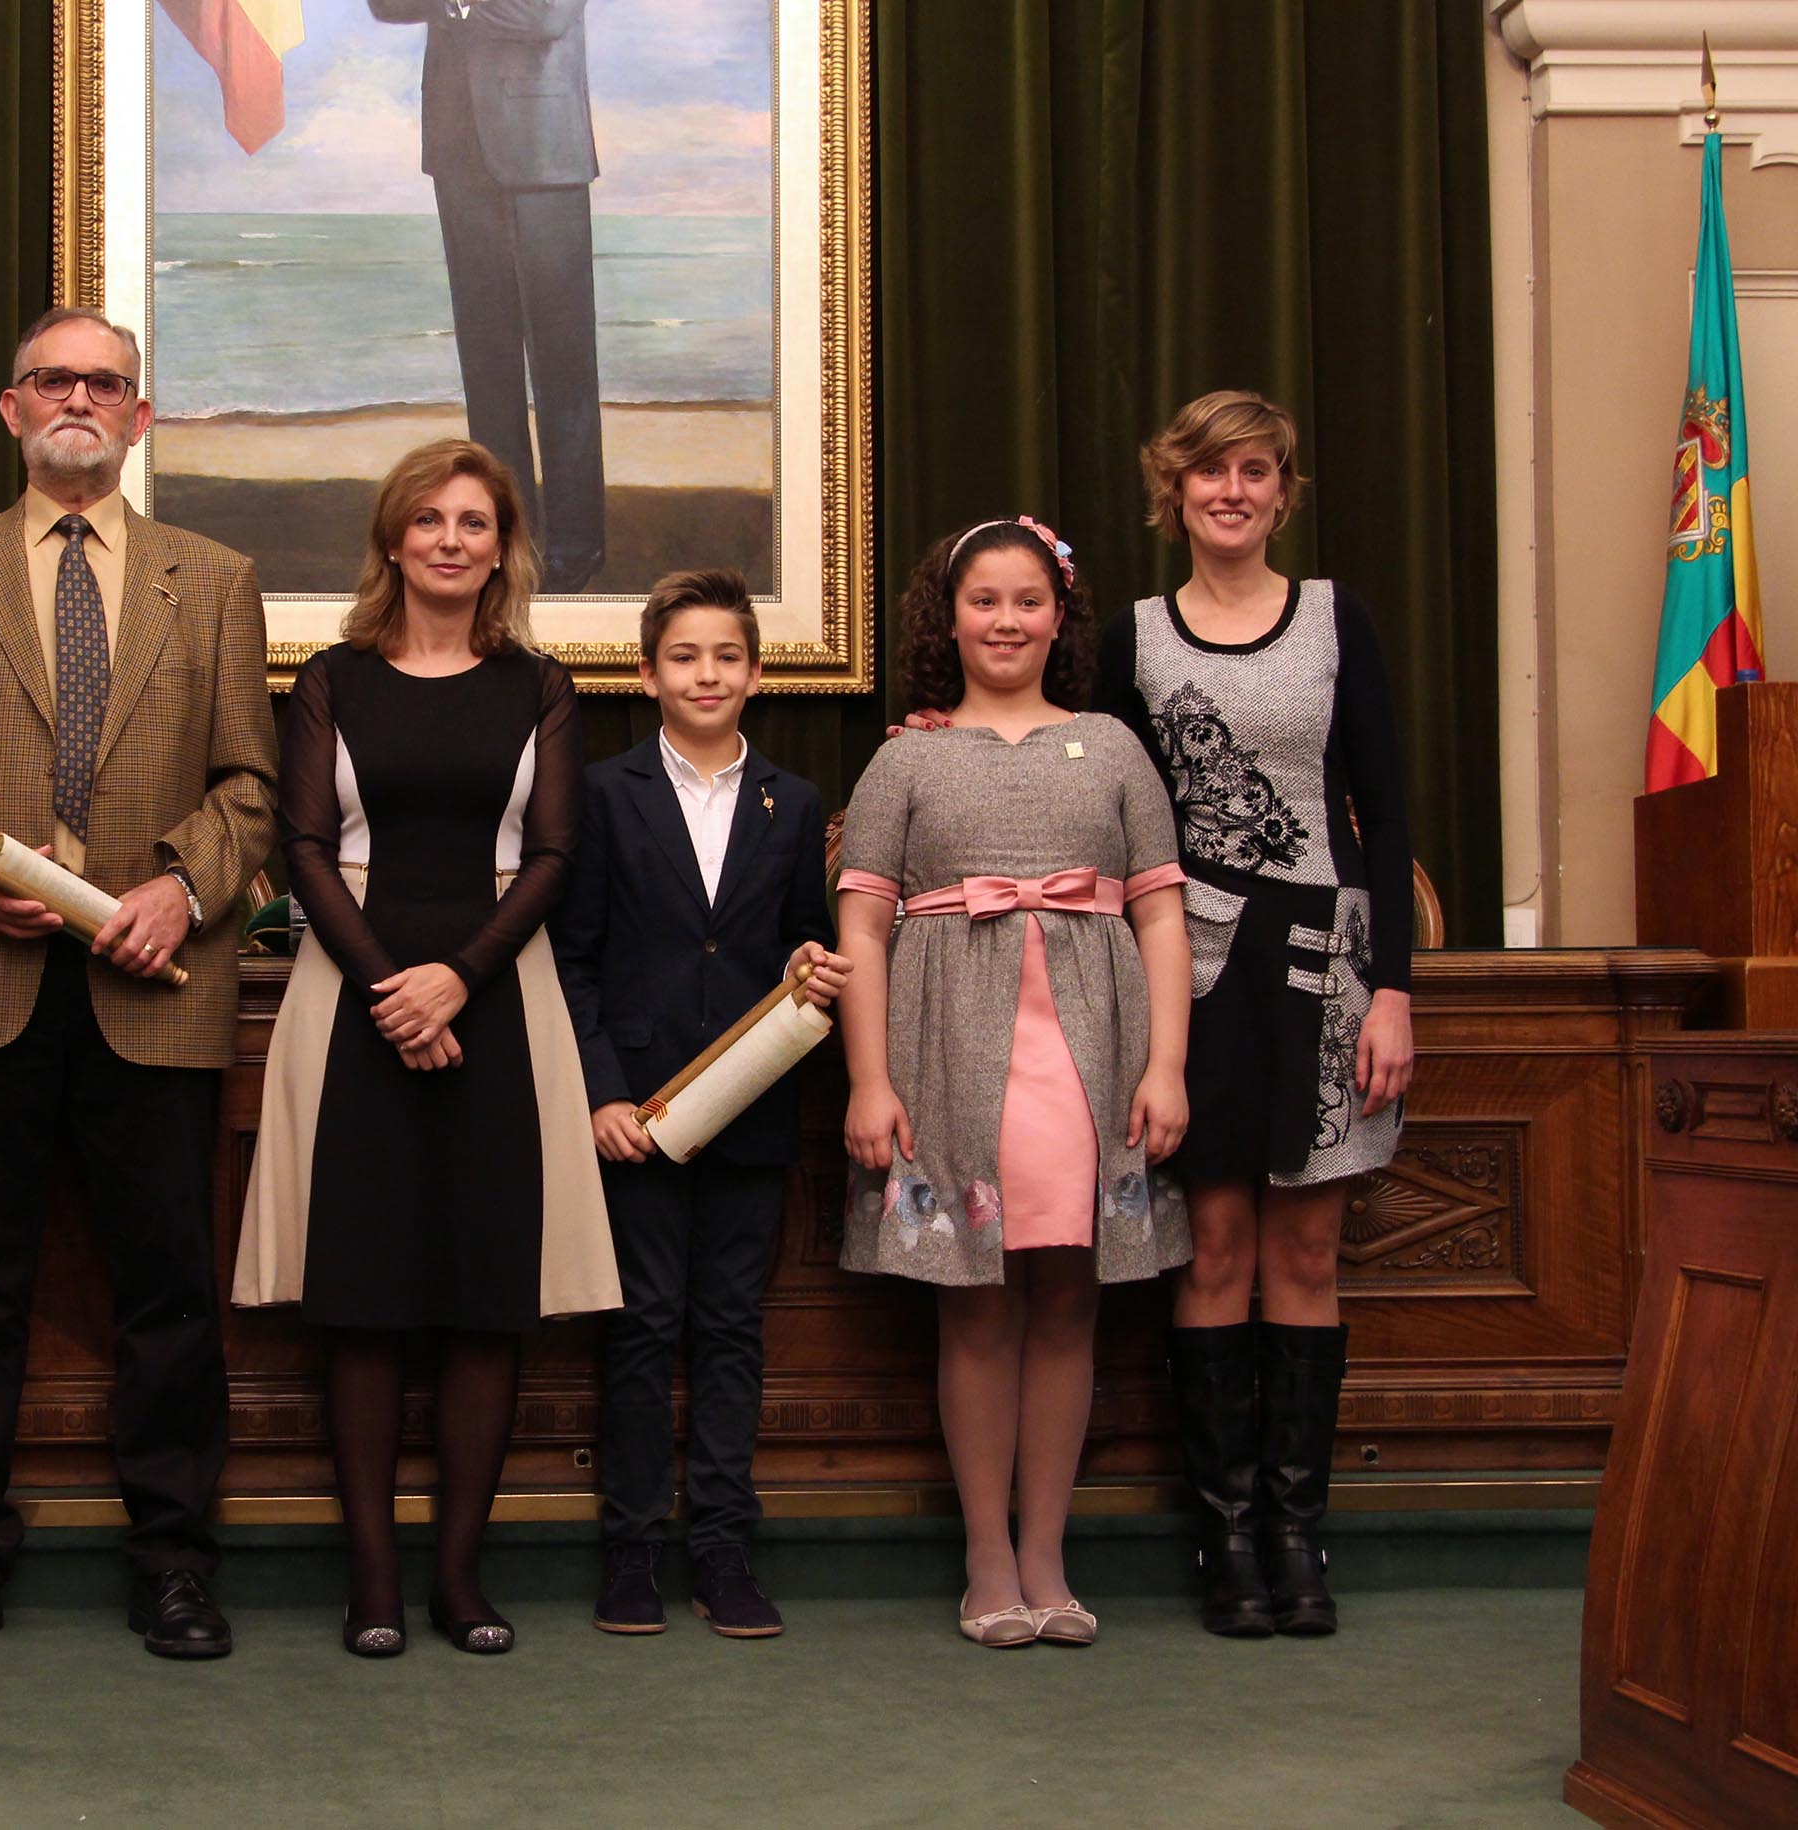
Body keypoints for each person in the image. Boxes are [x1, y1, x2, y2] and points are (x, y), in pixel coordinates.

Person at [0, 308, 280, 1664]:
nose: (78, 398)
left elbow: (252, 787)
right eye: (54, 379)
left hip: (155, 985)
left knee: (168, 1293)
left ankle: (174, 1565)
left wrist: (182, 888)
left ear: (140, 418)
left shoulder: (212, 578)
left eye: (105, 382)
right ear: (10, 408)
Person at [236, 437, 618, 1659]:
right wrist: (390, 989)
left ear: (500, 547)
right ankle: (372, 1585)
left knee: (480, 1306)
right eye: (430, 520)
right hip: (349, 1000)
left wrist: (456, 978)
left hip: (501, 997)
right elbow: (299, 845)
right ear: (393, 538)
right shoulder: (331, 680)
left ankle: (457, 1580)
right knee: (358, 1303)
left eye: (475, 522)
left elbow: (555, 854)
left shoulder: (539, 686)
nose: (452, 540)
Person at [836, 517, 1193, 1649]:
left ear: (1060, 615)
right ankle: (985, 1558)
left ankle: (1047, 1550)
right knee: (976, 1310)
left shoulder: (1113, 748)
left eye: (1027, 599)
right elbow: (861, 921)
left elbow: (1161, 911)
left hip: (1090, 1057)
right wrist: (868, 1081)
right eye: (983, 599)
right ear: (950, 618)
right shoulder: (907, 757)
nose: (1005, 620)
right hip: (952, 1059)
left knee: (1069, 1307)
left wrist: (1167, 1064)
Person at [1105, 391, 1415, 1638]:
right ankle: (1225, 1542)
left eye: (1255, 471)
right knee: (1216, 1252)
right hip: (1193, 976)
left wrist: (1393, 988)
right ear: (1172, 492)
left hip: (1326, 978)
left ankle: (1298, 1537)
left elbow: (1386, 815)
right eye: (1207, 473)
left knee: (1304, 1255)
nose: (1230, 491)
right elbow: (1109, 812)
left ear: (1283, 491)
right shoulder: (1133, 640)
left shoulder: (1338, 618)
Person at [549, 568, 846, 1638]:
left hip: (751, 1112)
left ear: (756, 674)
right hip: (637, 1116)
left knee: (729, 1332)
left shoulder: (795, 800)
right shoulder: (598, 792)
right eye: (684, 656)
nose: (706, 673)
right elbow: (572, 962)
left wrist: (812, 963)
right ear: (646, 673)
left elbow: (797, 949)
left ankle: (722, 1549)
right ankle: (628, 1552)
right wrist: (600, 1096)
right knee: (636, 1333)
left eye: (726, 655)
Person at [369, 0, 605, 592]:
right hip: (458, 149)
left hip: (545, 152)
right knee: (487, 364)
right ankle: (505, 536)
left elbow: (545, 17)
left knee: (563, 367)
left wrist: (455, 7)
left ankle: (575, 548)